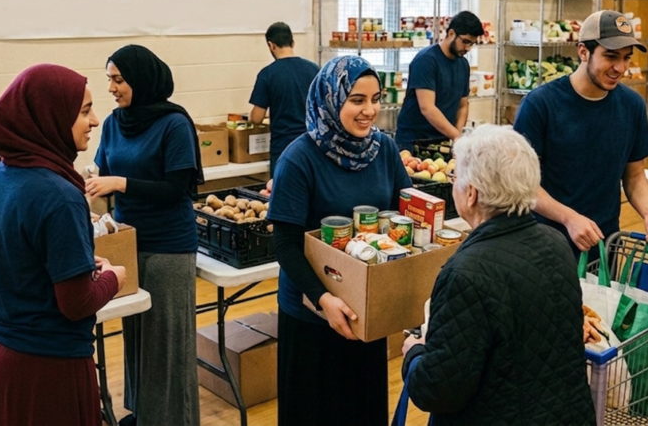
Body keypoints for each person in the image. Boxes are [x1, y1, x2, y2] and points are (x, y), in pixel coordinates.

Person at [0, 64, 127, 426]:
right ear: (50, 116)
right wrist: (114, 277)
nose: (95, 120)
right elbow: (76, 303)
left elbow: (20, 260)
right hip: (46, 365)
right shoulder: (60, 195)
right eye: (83, 111)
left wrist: (76, 264)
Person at [400, 124, 595, 425]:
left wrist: (414, 355)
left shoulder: (466, 274)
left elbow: (439, 391)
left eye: (455, 177)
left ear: (472, 194)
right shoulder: (555, 243)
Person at [267, 56, 412, 426]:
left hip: (366, 309)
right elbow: (285, 244)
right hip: (313, 314)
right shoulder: (299, 159)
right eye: (357, 100)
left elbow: (403, 218)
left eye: (375, 99)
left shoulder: (385, 151)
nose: (369, 111)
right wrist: (323, 298)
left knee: (361, 408)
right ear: (331, 100)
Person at [86, 44, 203, 426]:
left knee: (166, 343)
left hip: (170, 247)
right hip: (128, 244)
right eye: (109, 80)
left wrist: (119, 182)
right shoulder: (116, 122)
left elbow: (176, 189)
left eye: (118, 80)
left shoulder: (174, 123)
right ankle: (144, 414)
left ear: (141, 79)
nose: (112, 88)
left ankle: (171, 419)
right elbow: (102, 171)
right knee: (136, 336)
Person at [512, 10, 648, 257]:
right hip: (545, 242)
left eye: (627, 58)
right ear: (583, 52)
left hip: (603, 243)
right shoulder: (541, 105)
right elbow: (522, 184)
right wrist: (569, 218)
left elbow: (635, 176)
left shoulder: (632, 105)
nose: (621, 68)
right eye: (611, 56)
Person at [393, 11, 484, 152]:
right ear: (452, 33)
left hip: (443, 141)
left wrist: (457, 135)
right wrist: (456, 137)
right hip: (413, 142)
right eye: (465, 42)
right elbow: (427, 108)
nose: (468, 48)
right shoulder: (426, 61)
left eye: (472, 44)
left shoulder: (463, 64)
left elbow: (463, 106)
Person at [248, 22, 320, 173]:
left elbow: (256, 118)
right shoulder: (314, 69)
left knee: (284, 192)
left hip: (284, 147)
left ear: (271, 45)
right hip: (314, 145)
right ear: (292, 42)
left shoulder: (267, 74)